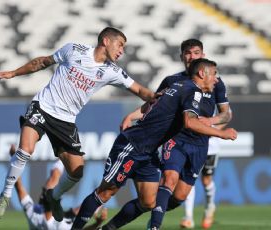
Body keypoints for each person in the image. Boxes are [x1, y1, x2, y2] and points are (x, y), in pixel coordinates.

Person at [0, 27, 156, 221]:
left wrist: (161, 97)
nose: (121, 51)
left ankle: (54, 196)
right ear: (105, 41)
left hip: (66, 121)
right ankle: (6, 195)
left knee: (77, 171)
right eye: (120, 45)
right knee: (25, 149)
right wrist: (12, 73)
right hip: (43, 107)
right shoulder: (74, 50)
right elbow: (42, 62)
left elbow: (139, 90)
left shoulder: (112, 71)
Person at [71, 58, 237, 230]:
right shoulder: (192, 91)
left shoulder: (178, 86)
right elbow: (190, 122)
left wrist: (132, 115)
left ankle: (108, 228)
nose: (216, 79)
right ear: (202, 73)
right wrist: (221, 133)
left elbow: (154, 101)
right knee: (105, 192)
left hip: (148, 153)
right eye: (214, 74)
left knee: (149, 201)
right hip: (132, 145)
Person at [108, 39, 232, 230]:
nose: (192, 57)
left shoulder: (215, 82)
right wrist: (132, 116)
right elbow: (153, 105)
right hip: (175, 139)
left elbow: (226, 114)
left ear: (203, 56)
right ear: (182, 56)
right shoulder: (172, 81)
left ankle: (146, 209)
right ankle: (154, 226)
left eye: (196, 53)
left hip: (199, 144)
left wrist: (211, 121)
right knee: (169, 179)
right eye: (188, 53)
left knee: (179, 196)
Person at [8, 144, 108, 230]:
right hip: (62, 217)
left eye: (44, 190)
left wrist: (14, 159)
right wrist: (97, 223)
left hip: (58, 216)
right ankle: (98, 200)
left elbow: (19, 187)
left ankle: (64, 157)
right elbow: (19, 187)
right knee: (88, 205)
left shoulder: (34, 216)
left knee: (54, 176)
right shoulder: (60, 226)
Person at [181, 135, 223, 229]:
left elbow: (226, 120)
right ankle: (188, 217)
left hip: (211, 148)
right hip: (192, 145)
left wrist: (213, 131)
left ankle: (209, 208)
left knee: (206, 181)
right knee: (189, 178)